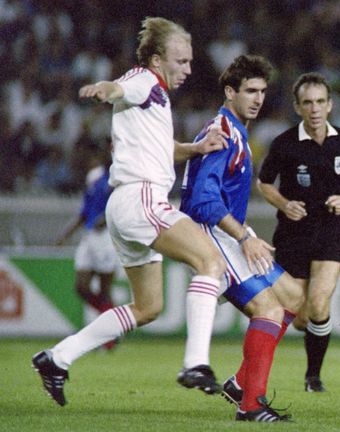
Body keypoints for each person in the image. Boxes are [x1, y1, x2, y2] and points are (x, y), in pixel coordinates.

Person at [32, 17, 229, 407]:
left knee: (147, 307)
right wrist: (105, 89)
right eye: (181, 61)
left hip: (126, 204)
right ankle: (195, 362)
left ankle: (56, 358)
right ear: (158, 60)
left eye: (190, 62)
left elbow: (162, 148)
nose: (188, 69)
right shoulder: (143, 81)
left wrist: (196, 148)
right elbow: (121, 88)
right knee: (211, 261)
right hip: (142, 199)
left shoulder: (156, 95)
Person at [180, 54, 304, 422]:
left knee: (294, 295)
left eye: (262, 91)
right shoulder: (222, 132)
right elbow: (203, 200)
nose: (258, 98)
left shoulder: (237, 129)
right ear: (230, 91)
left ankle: (241, 384)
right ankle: (251, 405)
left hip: (229, 233)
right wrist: (245, 236)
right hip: (213, 234)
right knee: (270, 309)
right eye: (250, 90)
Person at [257, 72, 340, 392]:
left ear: (330, 105)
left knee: (319, 304)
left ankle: (313, 377)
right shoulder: (284, 143)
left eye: (320, 102)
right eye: (308, 102)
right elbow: (264, 183)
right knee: (302, 316)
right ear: (297, 107)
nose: (315, 108)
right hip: (293, 234)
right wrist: (284, 203)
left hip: (331, 229)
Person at [55, 152, 120, 350]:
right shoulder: (92, 179)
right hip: (90, 235)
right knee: (81, 287)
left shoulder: (116, 176)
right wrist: (67, 233)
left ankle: (109, 339)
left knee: (104, 291)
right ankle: (113, 322)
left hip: (106, 237)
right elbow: (85, 211)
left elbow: (119, 203)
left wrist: (108, 217)